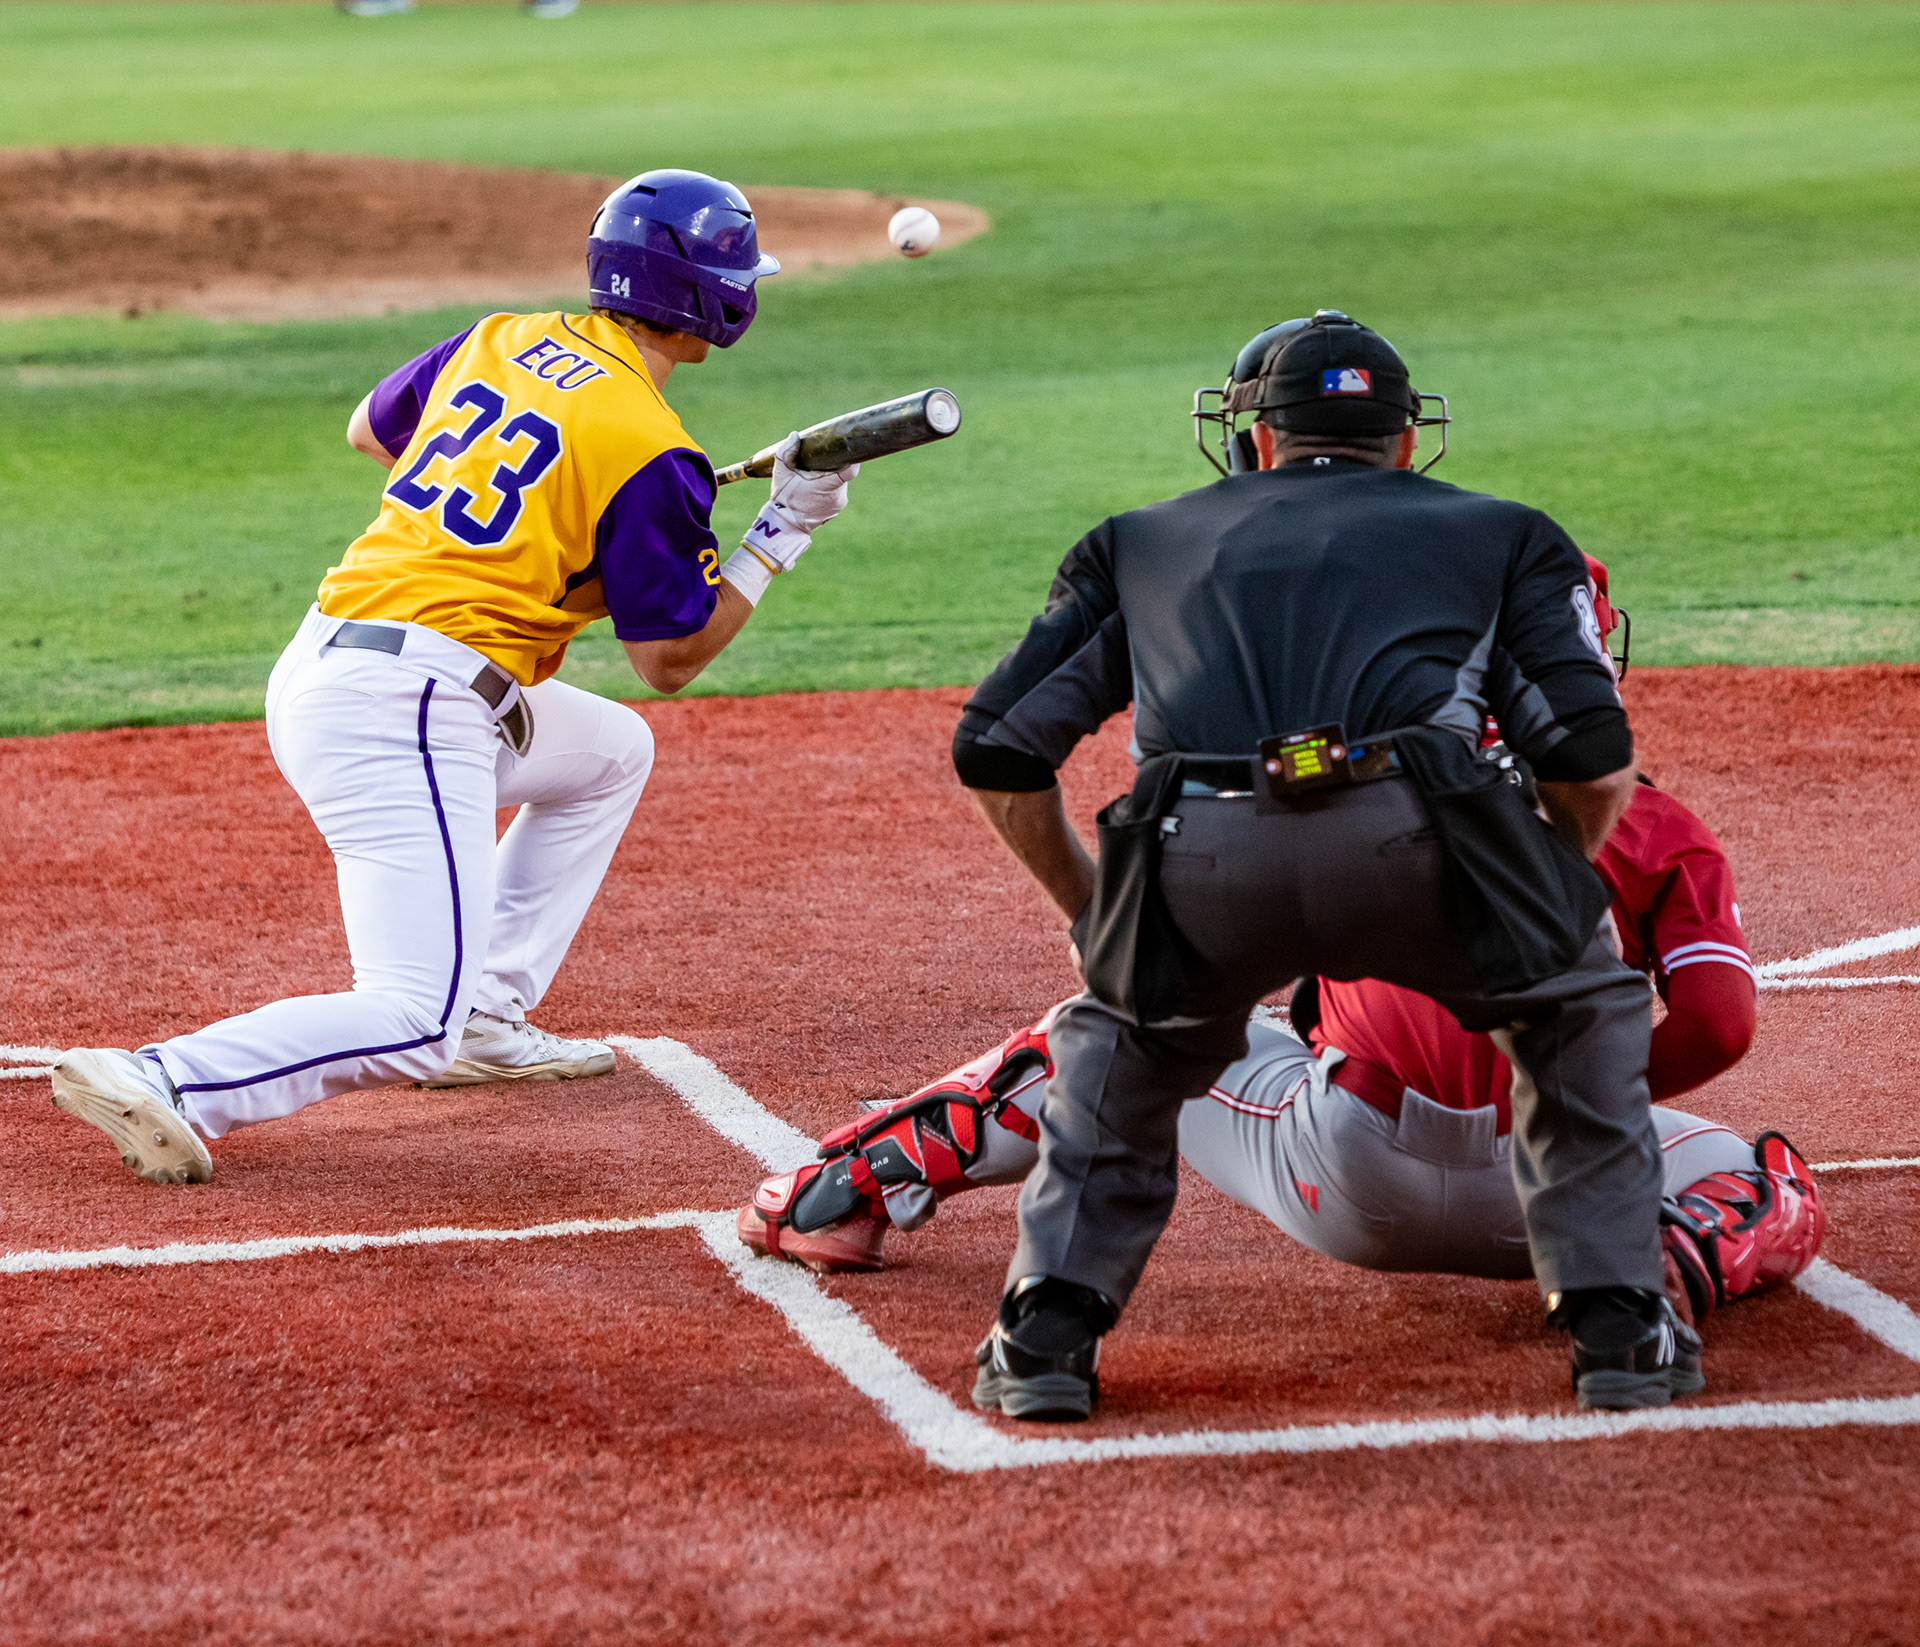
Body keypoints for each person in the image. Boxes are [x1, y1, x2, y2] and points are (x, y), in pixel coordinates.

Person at [896, 309, 1692, 1418]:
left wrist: (1098, 915)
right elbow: (1595, 759)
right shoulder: (1506, 533)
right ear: (1406, 441)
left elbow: (995, 750)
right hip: (1427, 846)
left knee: (1123, 1042)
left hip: (1197, 851)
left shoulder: (1137, 540)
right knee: (1580, 1004)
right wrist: (1540, 892)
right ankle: (1620, 1330)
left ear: (1258, 438)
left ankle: (1044, 1338)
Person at [49, 169, 860, 1187]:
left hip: (327, 660)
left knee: (611, 752)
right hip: (408, 710)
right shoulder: (655, 449)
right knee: (409, 1015)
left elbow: (370, 431)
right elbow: (672, 658)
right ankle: (168, 1075)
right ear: (713, 298)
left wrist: (556, 530)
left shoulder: (502, 337)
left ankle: (489, 1015)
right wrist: (782, 529)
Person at [736, 722, 1826, 1343]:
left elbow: (1160, 964)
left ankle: (844, 1192)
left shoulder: (1333, 778)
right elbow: (1720, 1026)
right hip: (1557, 1204)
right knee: (1766, 1176)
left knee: (1104, 1034)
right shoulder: (1660, 823)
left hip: (1345, 1171)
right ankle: (1679, 1254)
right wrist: (1570, 1098)